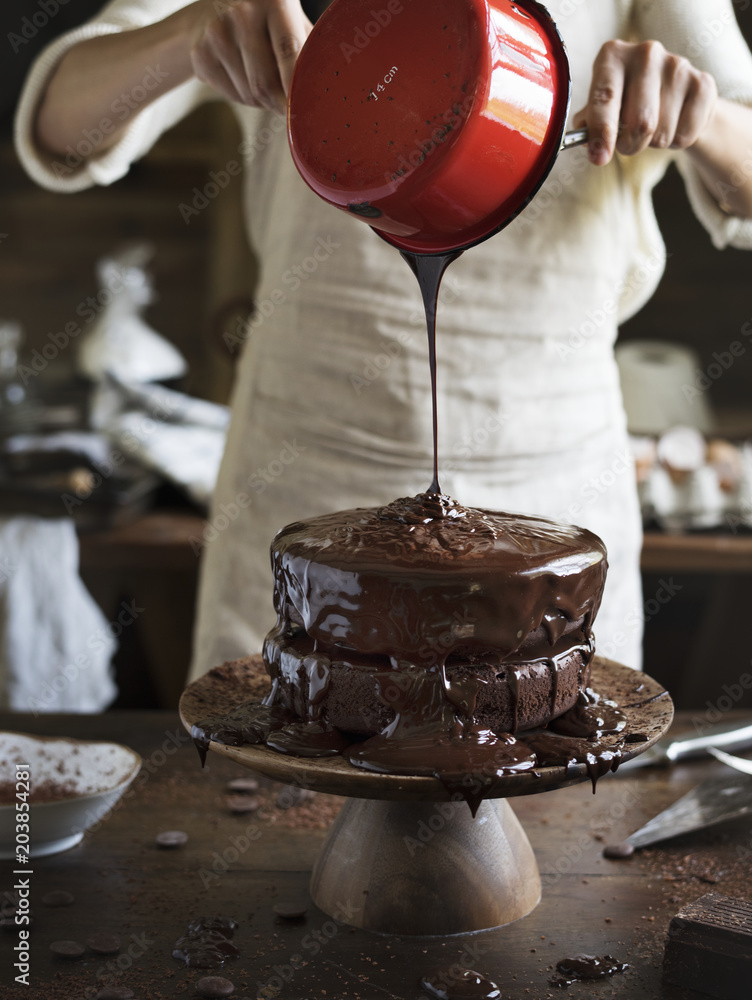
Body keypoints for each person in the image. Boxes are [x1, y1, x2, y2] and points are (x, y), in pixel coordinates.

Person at [15, 0, 752, 680]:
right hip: (300, 487)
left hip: (552, 492)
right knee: (279, 792)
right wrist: (189, 33)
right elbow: (61, 124)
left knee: (553, 798)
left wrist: (707, 116)